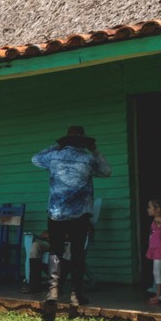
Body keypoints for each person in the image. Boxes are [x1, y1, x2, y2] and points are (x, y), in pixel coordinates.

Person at [32, 125, 112, 306]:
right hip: (79, 216)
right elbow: (107, 171)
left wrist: (55, 146)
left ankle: (52, 291)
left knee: (55, 251)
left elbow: (35, 159)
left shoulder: (53, 157)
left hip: (56, 215)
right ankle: (76, 293)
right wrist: (95, 150)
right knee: (78, 253)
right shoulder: (88, 159)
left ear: (65, 141)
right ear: (83, 142)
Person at [146, 197, 161, 305]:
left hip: (159, 250)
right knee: (157, 272)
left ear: (158, 209)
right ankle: (158, 292)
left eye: (149, 207)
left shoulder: (158, 219)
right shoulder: (158, 219)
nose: (148, 209)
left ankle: (159, 296)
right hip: (156, 249)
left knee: (156, 272)